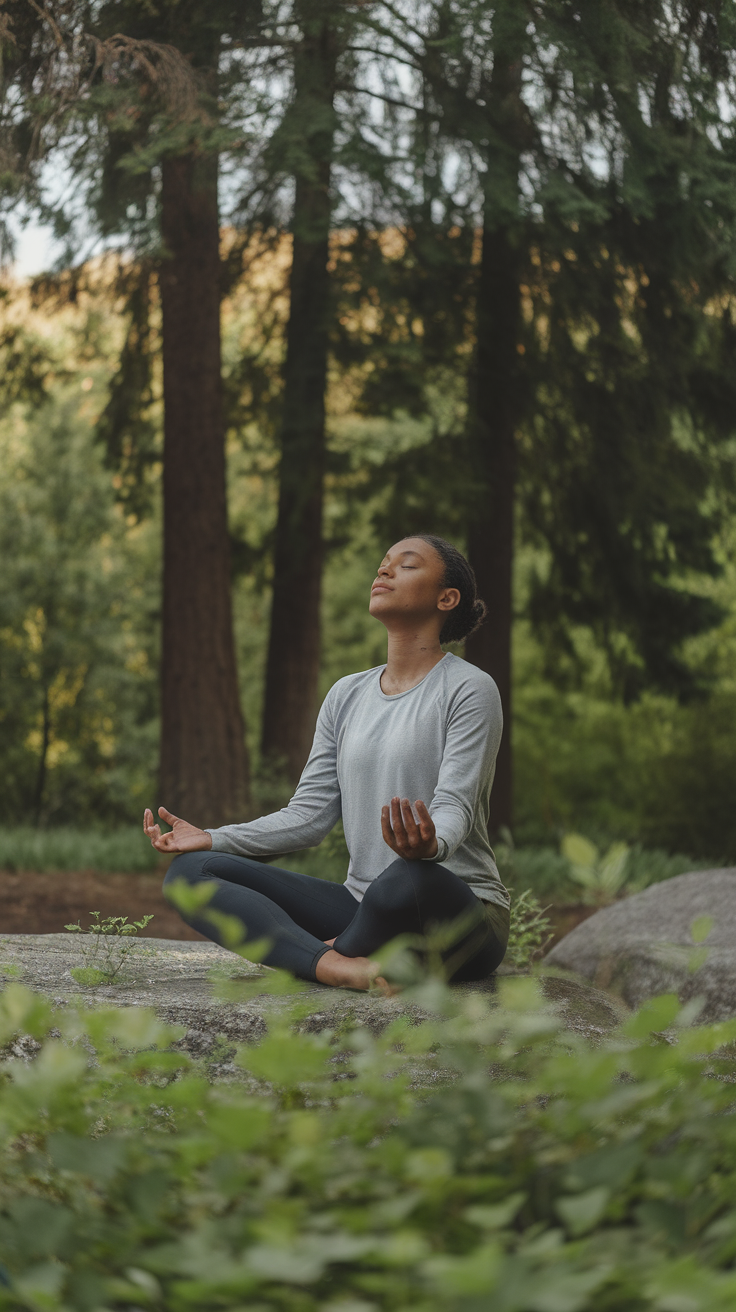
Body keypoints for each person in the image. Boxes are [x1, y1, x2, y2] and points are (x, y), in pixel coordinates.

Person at [143, 534, 509, 991]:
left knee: (409, 878)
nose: (384, 570)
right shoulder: (346, 694)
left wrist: (431, 847)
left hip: (452, 910)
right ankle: (337, 964)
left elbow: (455, 804)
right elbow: (308, 816)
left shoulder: (469, 689)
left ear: (447, 598)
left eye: (407, 565)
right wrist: (213, 838)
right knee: (191, 874)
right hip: (363, 905)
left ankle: (332, 949)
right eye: (382, 563)